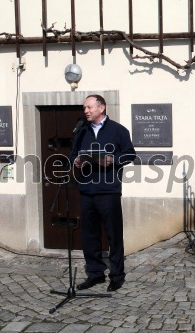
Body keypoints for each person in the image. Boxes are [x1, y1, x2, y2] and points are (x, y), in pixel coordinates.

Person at [70, 94, 135, 292]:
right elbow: (72, 154)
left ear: (102, 107)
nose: (86, 111)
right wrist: (76, 161)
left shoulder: (118, 130)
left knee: (113, 235)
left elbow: (131, 154)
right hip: (87, 191)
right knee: (89, 235)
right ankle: (95, 274)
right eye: (84, 108)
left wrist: (113, 159)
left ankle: (116, 275)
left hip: (109, 191)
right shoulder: (81, 131)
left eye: (89, 107)